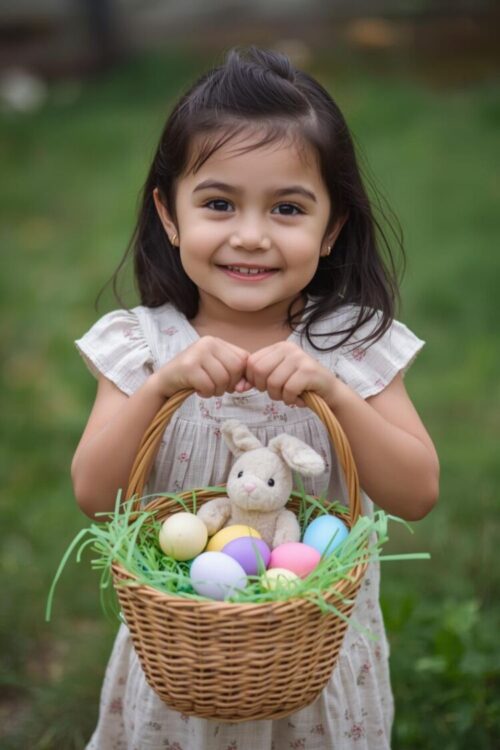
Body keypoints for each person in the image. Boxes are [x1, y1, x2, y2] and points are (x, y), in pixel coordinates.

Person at [72, 46, 439, 750]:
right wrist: (160, 389)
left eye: (288, 208)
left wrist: (335, 390)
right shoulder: (142, 347)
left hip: (315, 655)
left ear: (331, 229)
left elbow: (418, 492)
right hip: (184, 658)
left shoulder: (352, 347)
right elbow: (94, 494)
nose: (250, 234)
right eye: (218, 203)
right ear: (169, 215)